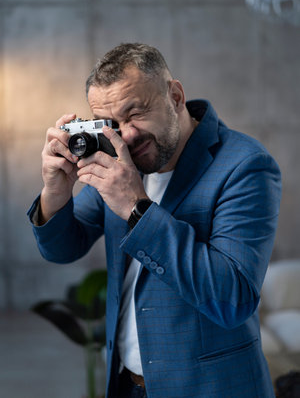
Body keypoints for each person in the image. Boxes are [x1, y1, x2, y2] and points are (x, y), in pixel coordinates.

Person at [28, 43, 281, 398]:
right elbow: (62, 248)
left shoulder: (246, 165)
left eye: (136, 113)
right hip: (126, 384)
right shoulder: (120, 159)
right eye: (113, 123)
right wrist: (55, 193)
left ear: (175, 95)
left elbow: (232, 299)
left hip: (210, 388)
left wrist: (135, 206)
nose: (127, 135)